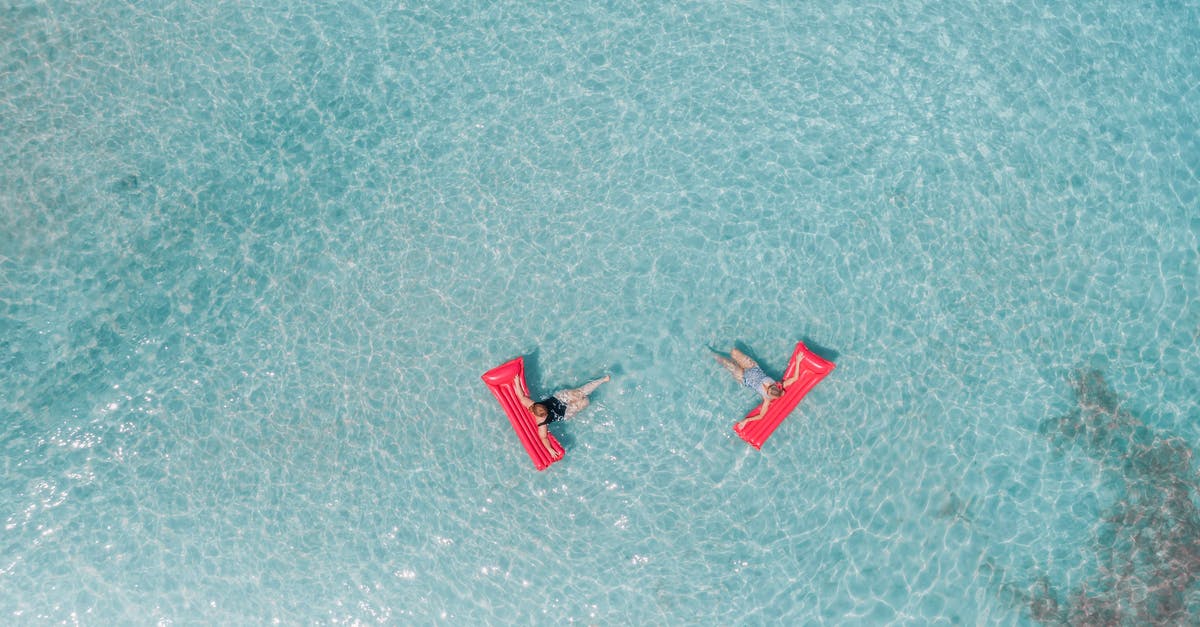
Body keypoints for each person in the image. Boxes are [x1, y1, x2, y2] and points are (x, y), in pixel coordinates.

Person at [513, 374, 611, 459]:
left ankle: (602, 380)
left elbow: (521, 397)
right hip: (565, 412)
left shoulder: (532, 405)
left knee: (580, 393)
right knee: (585, 400)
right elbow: (543, 437)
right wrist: (550, 449)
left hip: (560, 399)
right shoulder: (541, 421)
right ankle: (596, 386)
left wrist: (517, 382)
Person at [712, 346, 800, 430]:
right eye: (769, 387)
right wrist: (798, 361)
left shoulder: (766, 399)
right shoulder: (781, 385)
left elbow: (761, 416)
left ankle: (711, 354)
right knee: (734, 352)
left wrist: (745, 421)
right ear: (775, 386)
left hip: (744, 378)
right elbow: (795, 378)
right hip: (752, 367)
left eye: (767, 391)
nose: (766, 389)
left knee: (726, 363)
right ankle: (731, 358)